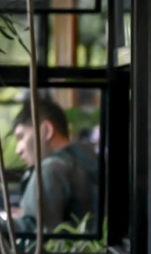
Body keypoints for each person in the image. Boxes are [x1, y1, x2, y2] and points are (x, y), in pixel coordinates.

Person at [13, 95, 99, 235]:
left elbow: (32, 239)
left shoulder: (49, 168)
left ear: (46, 130)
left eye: (21, 136)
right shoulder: (90, 159)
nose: (18, 150)